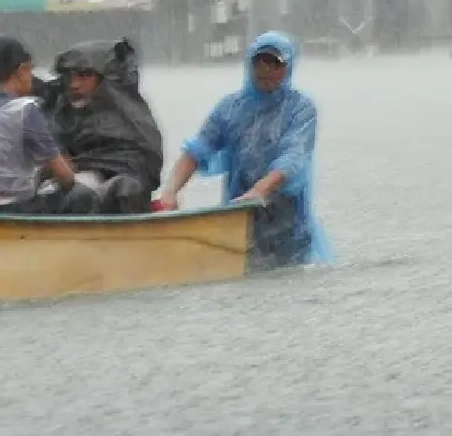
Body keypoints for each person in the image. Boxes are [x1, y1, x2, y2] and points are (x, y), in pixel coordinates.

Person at [154, 32, 331, 269]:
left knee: (284, 273)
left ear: (287, 68)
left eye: (274, 63)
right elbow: (197, 150)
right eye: (260, 61)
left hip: (286, 210)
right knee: (244, 269)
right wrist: (170, 192)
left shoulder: (301, 109)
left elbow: (292, 158)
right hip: (240, 207)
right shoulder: (231, 107)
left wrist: (260, 190)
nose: (266, 69)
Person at [0, 37, 95, 214]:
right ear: (22, 71)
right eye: (30, 72)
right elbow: (65, 177)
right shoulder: (23, 109)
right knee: (82, 193)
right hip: (8, 208)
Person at [47, 39, 164, 214]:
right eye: (70, 76)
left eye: (84, 75)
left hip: (114, 189)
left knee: (126, 188)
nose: (74, 84)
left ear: (105, 78)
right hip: (69, 184)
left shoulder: (132, 118)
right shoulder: (59, 111)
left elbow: (144, 162)